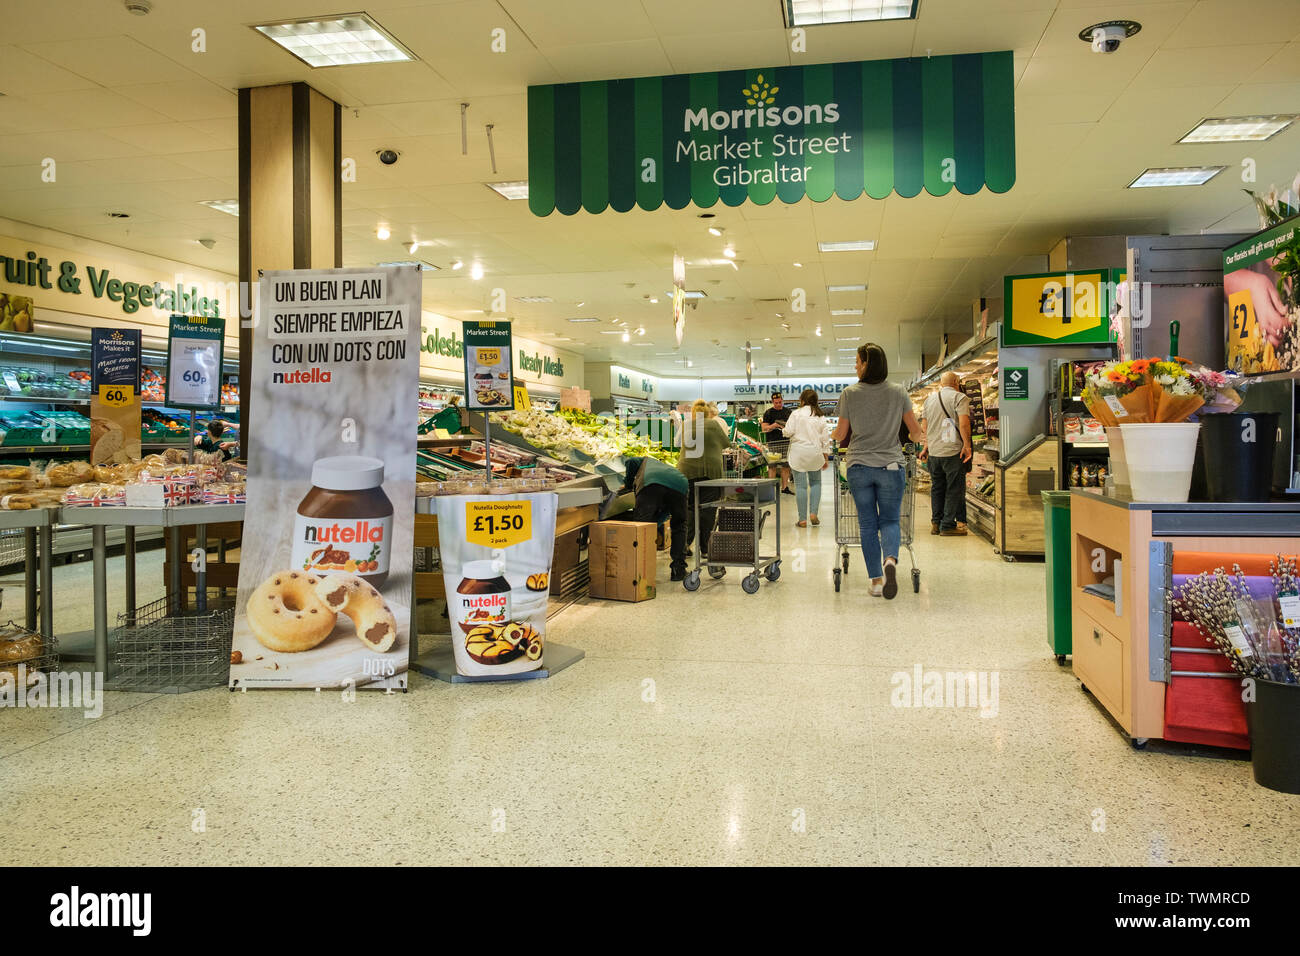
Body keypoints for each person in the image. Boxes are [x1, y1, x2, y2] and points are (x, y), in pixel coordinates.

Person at [832, 343, 923, 600]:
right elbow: (915, 432)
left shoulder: (850, 393)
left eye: (858, 361)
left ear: (867, 364)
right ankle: (890, 561)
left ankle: (876, 580)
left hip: (859, 466)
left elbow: (840, 434)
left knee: (868, 524)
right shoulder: (898, 392)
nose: (855, 366)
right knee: (891, 520)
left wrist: (828, 436)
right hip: (892, 466)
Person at [621, 454, 690, 581]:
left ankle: (638, 570)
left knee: (640, 526)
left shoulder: (645, 460)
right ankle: (678, 569)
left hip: (651, 484)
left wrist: (628, 484)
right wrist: (654, 525)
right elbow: (665, 513)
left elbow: (630, 461)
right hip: (681, 485)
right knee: (679, 525)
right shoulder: (665, 468)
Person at [919, 371, 972, 536]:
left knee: (937, 488)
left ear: (941, 384)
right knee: (953, 489)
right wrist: (967, 445)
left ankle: (936, 523)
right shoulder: (959, 398)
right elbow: (963, 424)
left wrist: (926, 446)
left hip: (934, 452)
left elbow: (924, 427)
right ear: (956, 381)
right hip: (952, 451)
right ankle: (948, 525)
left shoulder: (929, 400)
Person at [677, 399, 729, 557]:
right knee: (708, 508)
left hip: (687, 471)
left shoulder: (686, 424)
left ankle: (685, 544)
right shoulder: (713, 424)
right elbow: (726, 443)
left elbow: (677, 442)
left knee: (690, 508)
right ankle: (705, 548)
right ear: (708, 413)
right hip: (710, 472)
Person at [782, 388, 830, 528]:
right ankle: (813, 513)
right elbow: (825, 438)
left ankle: (802, 519)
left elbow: (788, 431)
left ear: (802, 400)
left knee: (800, 486)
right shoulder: (820, 416)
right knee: (816, 483)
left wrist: (784, 431)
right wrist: (825, 456)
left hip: (798, 453)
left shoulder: (795, 414)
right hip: (815, 453)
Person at [760, 392, 794, 495]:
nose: (778, 404)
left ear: (782, 400)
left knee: (786, 465)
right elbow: (764, 428)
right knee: (772, 466)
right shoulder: (768, 413)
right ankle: (771, 488)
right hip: (773, 442)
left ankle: (785, 488)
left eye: (780, 402)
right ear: (772, 402)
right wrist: (774, 426)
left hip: (786, 442)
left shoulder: (788, 412)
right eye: (776, 403)